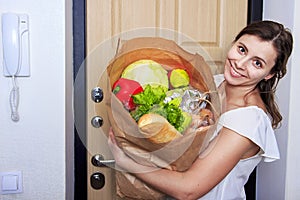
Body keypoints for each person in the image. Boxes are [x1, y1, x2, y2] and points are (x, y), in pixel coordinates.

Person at [108, 20, 294, 200]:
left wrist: (127, 162)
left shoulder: (248, 120)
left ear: (269, 74)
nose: (240, 63)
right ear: (234, 43)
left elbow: (188, 190)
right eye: (242, 49)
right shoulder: (216, 82)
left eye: (257, 63)